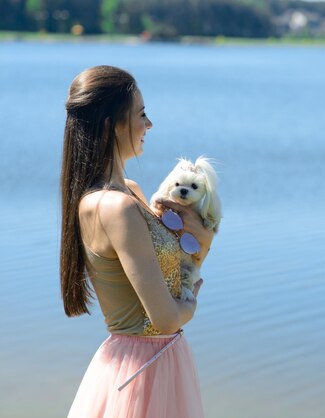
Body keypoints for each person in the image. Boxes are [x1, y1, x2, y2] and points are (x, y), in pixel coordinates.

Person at [60, 65, 214, 418]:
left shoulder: (128, 193)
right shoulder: (114, 206)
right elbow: (165, 318)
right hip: (144, 370)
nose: (149, 125)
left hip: (156, 360)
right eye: (141, 115)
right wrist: (190, 305)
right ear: (111, 124)